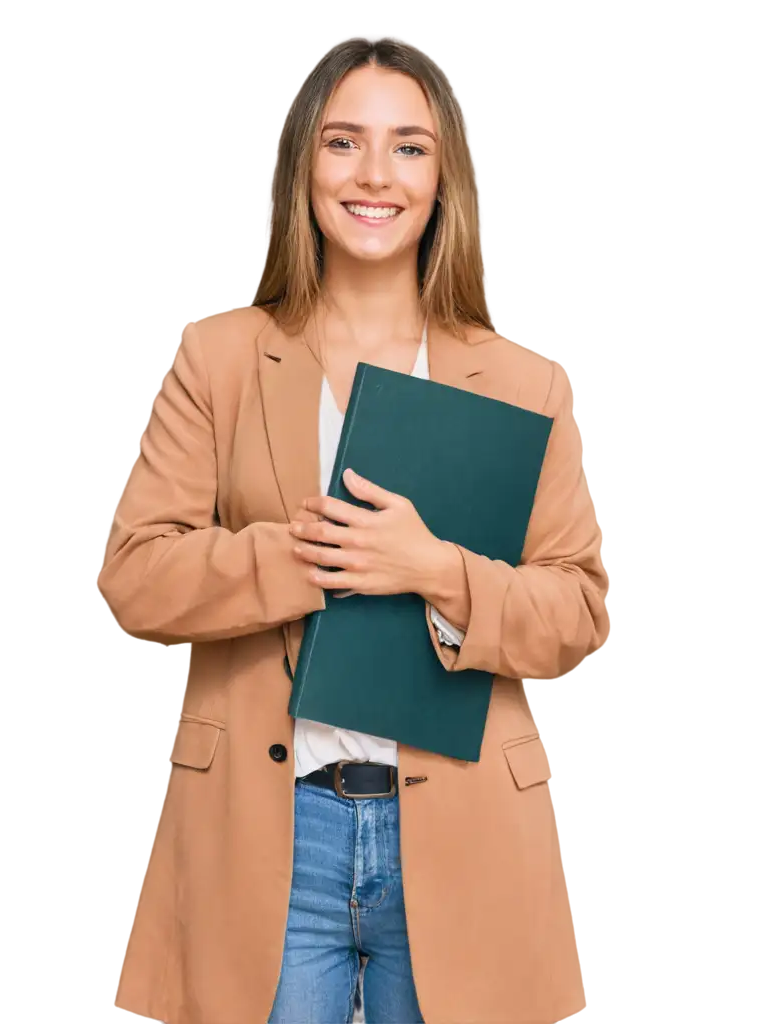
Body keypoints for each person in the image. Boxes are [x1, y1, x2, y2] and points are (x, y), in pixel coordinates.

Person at [94, 33, 606, 1024]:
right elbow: (133, 575)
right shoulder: (219, 358)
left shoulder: (520, 382)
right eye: (345, 143)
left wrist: (436, 570)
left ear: (442, 174)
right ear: (303, 168)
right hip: (271, 831)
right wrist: (306, 558)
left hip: (463, 835)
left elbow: (574, 608)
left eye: (409, 147)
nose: (376, 174)